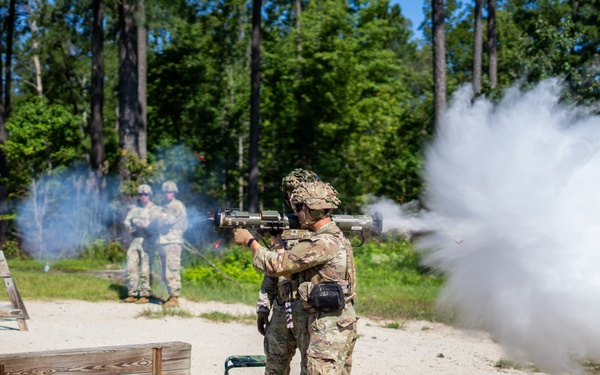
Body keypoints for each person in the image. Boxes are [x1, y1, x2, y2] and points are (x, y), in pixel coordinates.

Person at [235, 180, 358, 375]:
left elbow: (277, 266)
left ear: (313, 210)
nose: (296, 214)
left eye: (299, 208)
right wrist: (276, 239)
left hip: (329, 325)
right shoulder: (330, 237)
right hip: (331, 321)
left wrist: (250, 241)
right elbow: (289, 269)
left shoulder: (322, 242)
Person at [256, 169, 320, 375]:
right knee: (275, 365)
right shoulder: (283, 225)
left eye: (298, 193)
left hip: (309, 310)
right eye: (290, 193)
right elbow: (274, 269)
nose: (293, 198)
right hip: (283, 308)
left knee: (310, 366)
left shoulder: (320, 230)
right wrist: (264, 306)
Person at [122, 184, 161, 304]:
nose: (143, 197)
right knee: (130, 266)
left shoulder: (155, 209)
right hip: (136, 239)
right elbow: (126, 221)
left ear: (150, 195)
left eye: (145, 194)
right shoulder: (135, 209)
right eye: (140, 195)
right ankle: (132, 293)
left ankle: (145, 294)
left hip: (148, 240)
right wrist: (131, 226)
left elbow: (153, 223)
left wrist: (139, 222)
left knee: (145, 268)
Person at [157, 181, 188, 308]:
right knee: (163, 269)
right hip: (163, 241)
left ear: (174, 192)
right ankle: (170, 295)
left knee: (172, 268)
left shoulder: (177, 206)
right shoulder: (164, 206)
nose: (167, 194)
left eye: (169, 192)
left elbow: (168, 220)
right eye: (165, 192)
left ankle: (175, 297)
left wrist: (159, 216)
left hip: (173, 241)